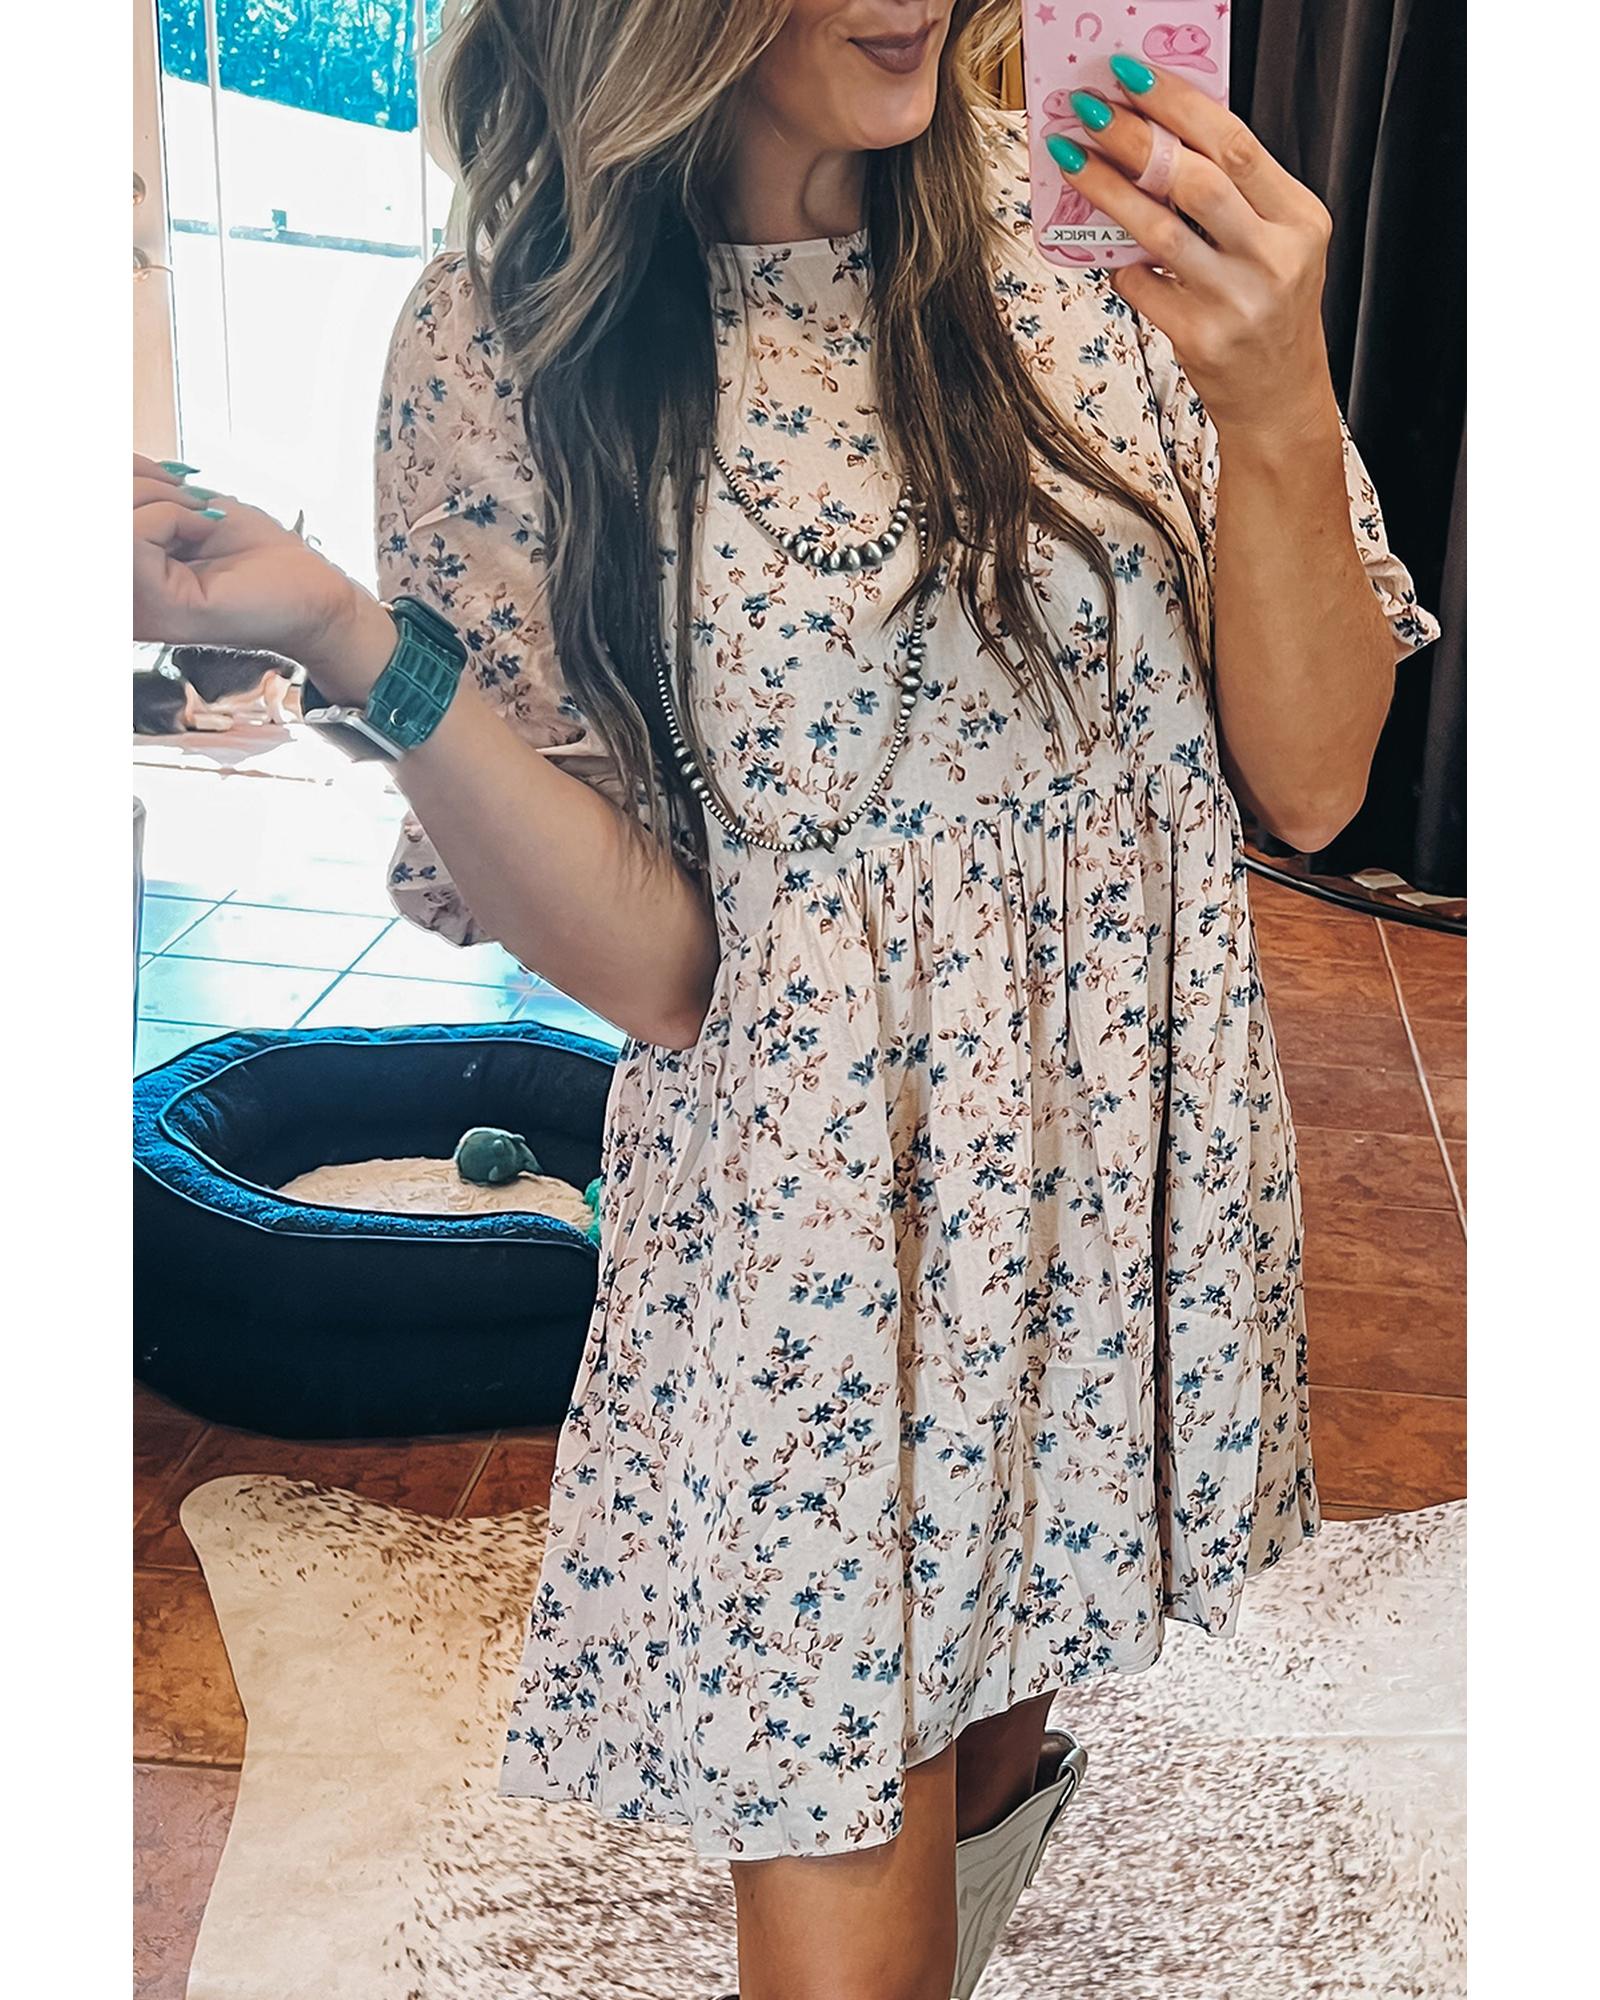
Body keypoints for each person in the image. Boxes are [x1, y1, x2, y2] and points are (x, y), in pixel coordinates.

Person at [132, 5, 1441, 1995]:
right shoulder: (506, 341)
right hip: (805, 1234)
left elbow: (1317, 782)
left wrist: (1272, 397)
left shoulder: (1088, 224)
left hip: (1105, 1175)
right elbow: (665, 971)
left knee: (994, 1712)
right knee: (842, 1834)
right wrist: (343, 635)